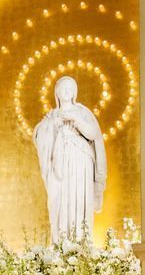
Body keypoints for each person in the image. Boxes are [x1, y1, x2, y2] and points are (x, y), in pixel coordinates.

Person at [33, 75, 107, 243]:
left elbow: (93, 134)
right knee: (60, 200)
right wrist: (53, 126)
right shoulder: (51, 116)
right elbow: (39, 135)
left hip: (81, 163)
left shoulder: (82, 112)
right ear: (57, 93)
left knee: (79, 200)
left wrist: (76, 120)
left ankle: (81, 242)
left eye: (70, 88)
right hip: (60, 167)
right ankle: (62, 242)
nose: (66, 91)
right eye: (62, 88)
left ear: (74, 92)